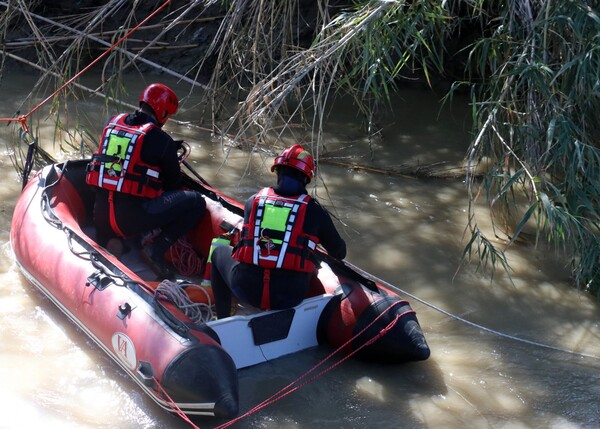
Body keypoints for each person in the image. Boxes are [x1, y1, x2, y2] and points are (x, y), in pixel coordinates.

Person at [210, 144, 346, 319]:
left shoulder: (253, 202)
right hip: (289, 297)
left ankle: (222, 319)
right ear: (306, 178)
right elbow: (339, 252)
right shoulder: (315, 212)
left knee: (218, 253)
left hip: (246, 290)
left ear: (277, 172)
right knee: (309, 263)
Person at [86, 82, 206, 278]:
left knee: (119, 201)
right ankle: (155, 249)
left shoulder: (113, 122)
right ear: (164, 112)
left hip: (100, 215)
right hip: (131, 219)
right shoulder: (162, 140)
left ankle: (111, 239)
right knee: (196, 202)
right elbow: (173, 185)